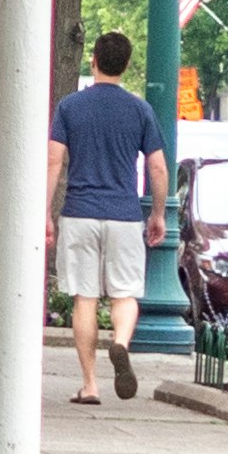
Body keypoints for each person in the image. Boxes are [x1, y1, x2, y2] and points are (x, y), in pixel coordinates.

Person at [50, 33, 170, 404]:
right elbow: (158, 167)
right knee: (125, 293)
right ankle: (119, 342)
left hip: (79, 214)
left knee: (84, 298)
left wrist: (45, 214)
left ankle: (90, 385)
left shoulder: (70, 107)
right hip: (122, 214)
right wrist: (158, 214)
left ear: (94, 61)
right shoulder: (140, 110)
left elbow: (54, 160)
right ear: (127, 65)